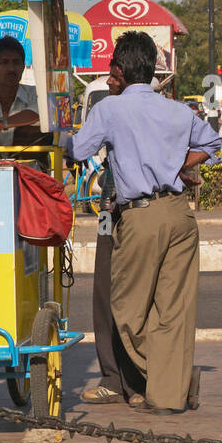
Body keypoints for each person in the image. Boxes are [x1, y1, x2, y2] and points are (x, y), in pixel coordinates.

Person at [66, 31, 220, 415]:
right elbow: (212, 144)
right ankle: (170, 391)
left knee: (127, 311)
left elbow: (78, 149)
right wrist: (178, 165)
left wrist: (51, 133)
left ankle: (174, 380)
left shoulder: (110, 110)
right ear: (151, 67)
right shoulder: (177, 110)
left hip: (141, 215)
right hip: (181, 215)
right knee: (173, 311)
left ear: (119, 68)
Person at [78, 68, 147, 405]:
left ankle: (134, 382)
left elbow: (78, 149)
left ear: (129, 75)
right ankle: (115, 379)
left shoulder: (144, 111)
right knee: (106, 289)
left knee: (128, 294)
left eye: (113, 75)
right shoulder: (115, 110)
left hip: (133, 212)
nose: (108, 82)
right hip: (109, 209)